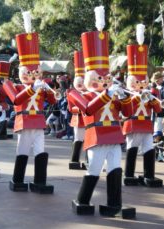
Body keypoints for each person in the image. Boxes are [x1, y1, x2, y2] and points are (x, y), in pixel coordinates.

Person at [68, 6, 135, 219]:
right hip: (95, 136)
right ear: (90, 79)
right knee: (94, 170)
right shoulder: (79, 94)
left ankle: (114, 204)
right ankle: (83, 200)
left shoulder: (112, 93)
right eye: (99, 78)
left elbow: (127, 112)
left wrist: (125, 98)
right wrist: (107, 94)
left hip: (114, 135)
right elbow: (88, 109)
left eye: (106, 78)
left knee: (115, 169)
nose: (104, 82)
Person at [3, 11, 56, 194]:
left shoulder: (42, 85)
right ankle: (18, 179)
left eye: (36, 73)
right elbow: (16, 100)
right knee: (23, 151)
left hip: (39, 121)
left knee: (40, 151)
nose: (33, 76)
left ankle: (40, 181)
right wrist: (32, 89)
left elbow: (52, 101)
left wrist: (49, 91)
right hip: (24, 121)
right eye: (29, 73)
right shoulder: (15, 86)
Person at [123, 24, 163, 188]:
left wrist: (151, 99)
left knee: (149, 149)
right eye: (138, 82)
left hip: (146, 124)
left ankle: (149, 175)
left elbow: (159, 110)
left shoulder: (148, 93)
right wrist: (137, 97)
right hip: (133, 123)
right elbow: (126, 109)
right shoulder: (128, 94)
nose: (141, 84)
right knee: (132, 149)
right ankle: (129, 175)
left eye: (143, 81)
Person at [66, 50, 86, 169]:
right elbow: (70, 108)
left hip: (89, 119)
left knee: (90, 140)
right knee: (78, 139)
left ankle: (90, 160)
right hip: (78, 118)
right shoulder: (72, 92)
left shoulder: (90, 93)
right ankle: (74, 160)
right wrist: (80, 109)